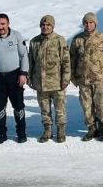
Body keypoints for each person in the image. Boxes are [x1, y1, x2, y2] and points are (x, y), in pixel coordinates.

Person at [0, 13, 29, 144]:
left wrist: (23, 73)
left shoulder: (16, 36)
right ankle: (1, 134)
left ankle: (21, 133)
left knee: (18, 106)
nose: (0, 26)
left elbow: (24, 55)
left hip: (15, 76)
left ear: (8, 23)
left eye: (3, 24)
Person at [69, 12, 103, 142]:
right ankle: (91, 128)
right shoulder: (77, 40)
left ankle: (102, 130)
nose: (88, 25)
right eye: (86, 23)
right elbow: (72, 59)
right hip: (83, 79)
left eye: (91, 23)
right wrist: (73, 77)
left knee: (101, 104)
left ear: (95, 23)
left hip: (100, 79)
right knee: (86, 105)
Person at [28, 15, 71, 143]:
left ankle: (61, 132)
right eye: (43, 25)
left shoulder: (59, 40)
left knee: (60, 110)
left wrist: (66, 79)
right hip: (41, 84)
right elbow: (31, 62)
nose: (45, 27)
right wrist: (30, 78)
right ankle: (47, 131)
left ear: (52, 26)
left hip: (57, 83)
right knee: (44, 110)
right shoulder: (34, 41)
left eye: (48, 25)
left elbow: (66, 61)